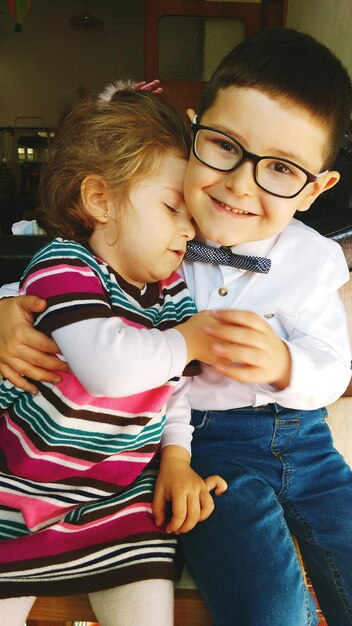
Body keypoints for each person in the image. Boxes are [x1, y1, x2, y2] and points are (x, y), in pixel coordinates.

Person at [1, 27, 352, 625]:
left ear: (316, 188)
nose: (242, 184)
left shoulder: (313, 259)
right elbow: (68, 274)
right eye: (224, 147)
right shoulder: (153, 238)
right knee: (268, 605)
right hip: (203, 449)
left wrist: (286, 365)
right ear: (194, 133)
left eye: (283, 169)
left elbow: (333, 368)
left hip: (306, 439)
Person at [0, 82, 228, 626]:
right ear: (100, 200)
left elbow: (170, 388)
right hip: (20, 493)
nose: (187, 231)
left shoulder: (171, 290)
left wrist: (177, 458)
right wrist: (189, 340)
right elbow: (109, 368)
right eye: (173, 207)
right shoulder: (64, 267)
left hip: (120, 501)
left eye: (192, 216)